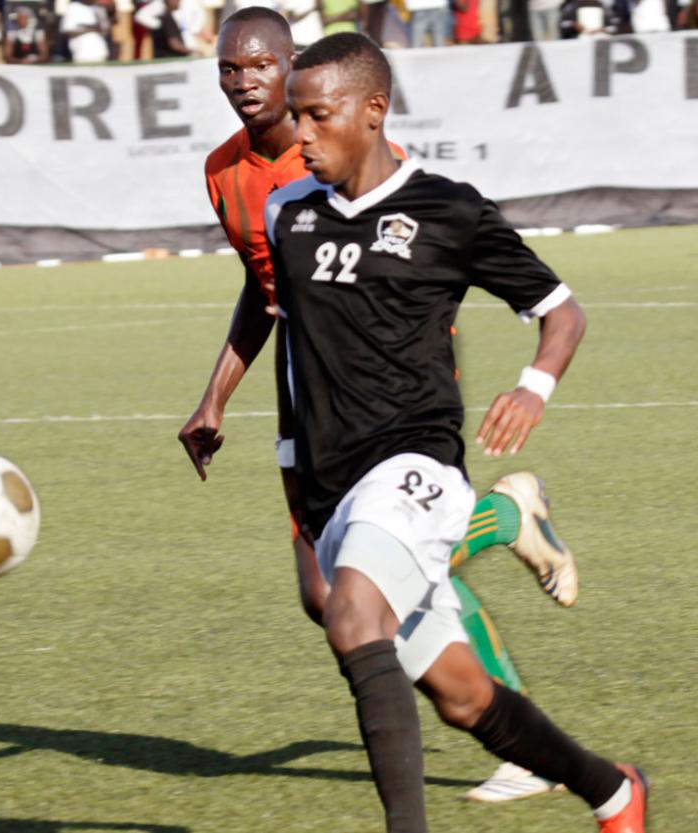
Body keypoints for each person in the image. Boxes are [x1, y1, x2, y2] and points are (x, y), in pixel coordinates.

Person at [179, 6, 577, 803]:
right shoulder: (228, 173)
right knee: (326, 593)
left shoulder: (348, 148)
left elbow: (427, 247)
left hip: (394, 390)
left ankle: (520, 738)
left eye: (260, 66)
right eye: (229, 68)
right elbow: (266, 291)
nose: (245, 82)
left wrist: (526, 380)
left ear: (295, 65)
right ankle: (506, 521)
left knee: (372, 576)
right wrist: (214, 397)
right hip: (307, 390)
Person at [264, 30, 648, 833]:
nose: (300, 134)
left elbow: (561, 312)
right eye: (295, 116)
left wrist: (533, 386)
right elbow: (290, 347)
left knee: (352, 617)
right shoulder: (287, 214)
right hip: (333, 490)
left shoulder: (448, 209)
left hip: (416, 466)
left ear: (374, 110)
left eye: (318, 115)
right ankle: (615, 793)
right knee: (464, 697)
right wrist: (292, 472)